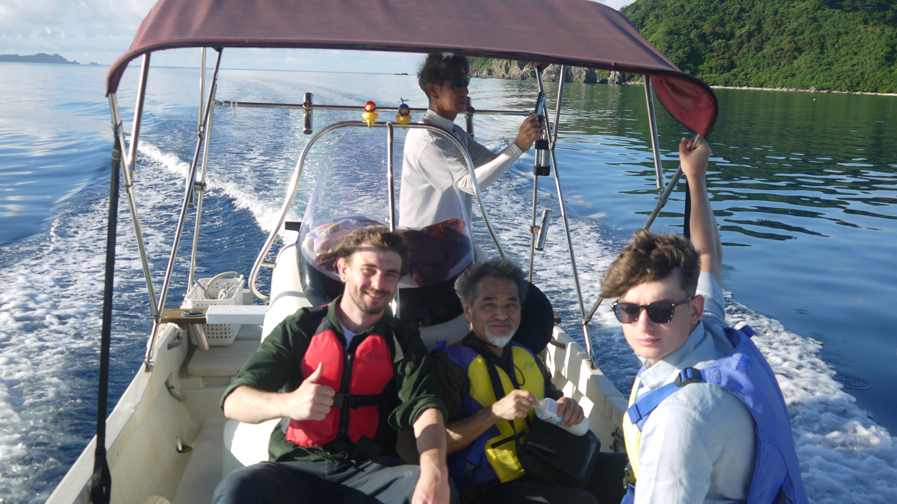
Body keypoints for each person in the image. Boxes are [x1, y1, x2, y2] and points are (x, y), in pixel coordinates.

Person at [600, 138, 808, 504]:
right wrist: (695, 176)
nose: (643, 325)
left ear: (692, 309)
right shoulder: (710, 331)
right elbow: (708, 255)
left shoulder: (679, 417)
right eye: (629, 311)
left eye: (661, 311)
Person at [212, 227, 457, 504]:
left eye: (390, 274)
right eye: (368, 270)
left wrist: (434, 468)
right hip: (295, 469)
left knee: (434, 486)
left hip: (370, 472)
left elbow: (424, 407)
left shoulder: (403, 339)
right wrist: (289, 403)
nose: (378, 284)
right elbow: (234, 402)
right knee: (237, 487)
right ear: (344, 270)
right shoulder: (302, 327)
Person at [433, 259, 628, 504]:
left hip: (547, 465)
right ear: (468, 310)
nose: (502, 315)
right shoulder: (449, 367)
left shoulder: (527, 356)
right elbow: (436, 442)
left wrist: (568, 406)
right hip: (488, 488)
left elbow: (556, 400)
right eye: (489, 304)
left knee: (628, 471)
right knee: (580, 501)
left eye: (511, 305)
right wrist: (492, 413)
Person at [399, 54, 543, 229]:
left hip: (451, 239)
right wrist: (518, 146)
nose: (465, 91)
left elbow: (492, 162)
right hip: (422, 242)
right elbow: (469, 184)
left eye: (466, 82)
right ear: (434, 90)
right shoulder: (426, 138)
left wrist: (524, 139)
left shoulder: (456, 133)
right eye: (457, 83)